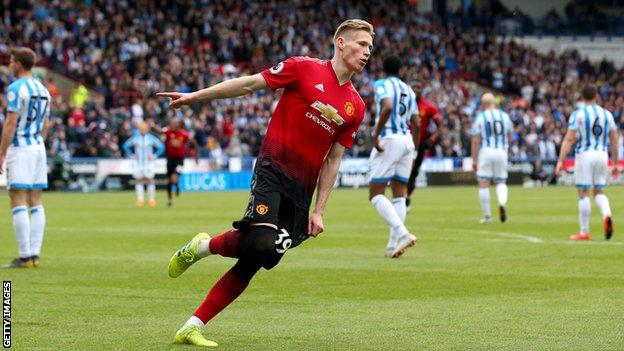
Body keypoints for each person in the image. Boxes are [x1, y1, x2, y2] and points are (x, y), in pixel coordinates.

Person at [157, 19, 373, 347]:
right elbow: (248, 85)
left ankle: (192, 321)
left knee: (261, 257)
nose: (367, 52)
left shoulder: (355, 106)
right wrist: (195, 97)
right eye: (361, 44)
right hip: (273, 168)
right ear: (341, 43)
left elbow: (334, 160)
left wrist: (320, 210)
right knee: (259, 242)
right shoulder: (303, 68)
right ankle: (200, 250)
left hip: (302, 190)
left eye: (370, 47)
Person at [0, 47, 51, 268]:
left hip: (20, 148)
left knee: (17, 199)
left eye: (11, 61)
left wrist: (2, 152)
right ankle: (35, 254)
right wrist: (38, 141)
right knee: (36, 200)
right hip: (38, 147)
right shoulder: (44, 89)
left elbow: (11, 122)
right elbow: (47, 124)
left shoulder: (15, 88)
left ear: (19, 63)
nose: (10, 64)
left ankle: (24, 255)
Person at [368, 55, 419, 258]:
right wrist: (413, 147)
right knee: (399, 194)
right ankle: (392, 245)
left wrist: (376, 132)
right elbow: (417, 122)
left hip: (390, 139)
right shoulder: (409, 89)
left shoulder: (382, 83)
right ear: (401, 69)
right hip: (407, 141)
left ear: (383, 68)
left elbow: (387, 106)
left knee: (375, 193)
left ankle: (403, 233)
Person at [555, 84, 619, 240]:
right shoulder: (607, 114)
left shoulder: (578, 114)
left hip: (585, 154)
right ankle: (607, 215)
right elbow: (615, 141)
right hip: (602, 154)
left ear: (582, 97)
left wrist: (560, 161)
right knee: (598, 191)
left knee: (583, 192)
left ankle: (584, 232)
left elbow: (569, 139)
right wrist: (615, 162)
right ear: (596, 96)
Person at [470, 93, 513, 224]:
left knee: (483, 183)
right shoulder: (505, 116)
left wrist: (474, 159)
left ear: (483, 105)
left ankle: (487, 216)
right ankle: (502, 203)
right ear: (495, 103)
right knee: (501, 181)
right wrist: (507, 149)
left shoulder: (481, 117)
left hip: (486, 151)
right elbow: (510, 135)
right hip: (501, 151)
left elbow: (475, 140)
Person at [406, 80, 441, 210]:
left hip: (419, 144)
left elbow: (441, 127)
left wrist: (432, 139)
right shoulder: (404, 104)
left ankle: (407, 197)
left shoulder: (429, 107)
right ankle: (400, 197)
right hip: (403, 142)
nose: (416, 89)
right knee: (402, 171)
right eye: (413, 86)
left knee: (413, 173)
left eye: (418, 87)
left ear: (422, 89)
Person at [122, 121, 165, 207]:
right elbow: (125, 146)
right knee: (139, 180)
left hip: (149, 163)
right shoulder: (135, 138)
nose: (143, 130)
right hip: (138, 163)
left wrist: (155, 155)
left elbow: (161, 147)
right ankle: (140, 199)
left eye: (144, 129)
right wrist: (131, 154)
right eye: (141, 129)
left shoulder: (151, 138)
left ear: (147, 129)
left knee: (150, 180)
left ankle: (151, 200)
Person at [162, 119, 198, 207]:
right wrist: (152, 126)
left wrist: (196, 155)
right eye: (171, 123)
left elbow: (193, 142)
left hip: (179, 160)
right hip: (169, 159)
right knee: (169, 181)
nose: (172, 125)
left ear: (179, 125)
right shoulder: (167, 132)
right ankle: (170, 200)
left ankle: (177, 184)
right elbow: (159, 131)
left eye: (174, 123)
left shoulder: (184, 134)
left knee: (174, 177)